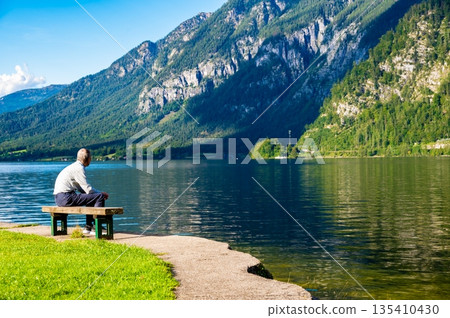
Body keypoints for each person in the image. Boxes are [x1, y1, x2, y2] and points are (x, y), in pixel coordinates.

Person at [53, 148, 109, 235]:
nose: (91, 160)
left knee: (91, 197)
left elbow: (82, 189)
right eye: (90, 158)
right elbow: (87, 189)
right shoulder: (79, 168)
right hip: (66, 197)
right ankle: (96, 226)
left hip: (59, 198)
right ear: (87, 159)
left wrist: (94, 193)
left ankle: (88, 226)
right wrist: (101, 193)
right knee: (99, 197)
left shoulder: (73, 166)